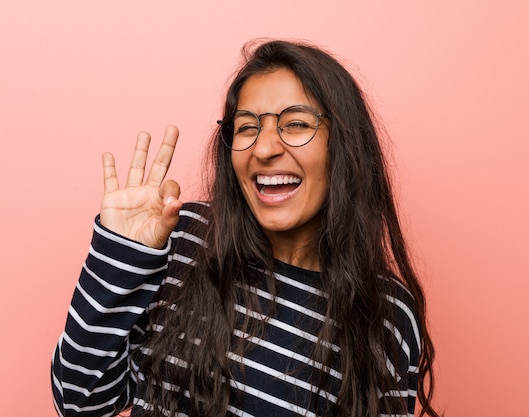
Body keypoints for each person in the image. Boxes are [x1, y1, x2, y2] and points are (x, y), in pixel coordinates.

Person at [51, 39, 439, 417]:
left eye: (296, 123)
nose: (264, 148)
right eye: (247, 127)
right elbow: (80, 401)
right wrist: (121, 256)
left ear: (344, 144)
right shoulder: (183, 240)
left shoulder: (387, 313)